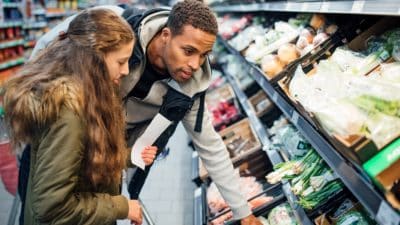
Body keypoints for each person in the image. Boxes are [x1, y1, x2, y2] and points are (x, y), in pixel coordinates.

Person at [27, 1, 263, 224]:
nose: (195, 64)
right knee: (42, 204)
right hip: (66, 137)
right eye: (188, 50)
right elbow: (49, 46)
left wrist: (242, 210)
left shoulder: (190, 85)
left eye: (204, 55)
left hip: (107, 156)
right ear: (165, 35)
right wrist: (39, 114)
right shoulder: (116, 25)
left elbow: (210, 146)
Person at [2, 8, 158, 225]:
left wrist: (127, 156)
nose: (125, 71)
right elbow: (52, 207)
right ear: (93, 60)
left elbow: (82, 158)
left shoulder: (89, 95)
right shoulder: (69, 112)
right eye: (121, 62)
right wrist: (122, 207)